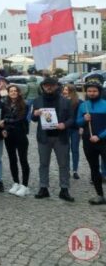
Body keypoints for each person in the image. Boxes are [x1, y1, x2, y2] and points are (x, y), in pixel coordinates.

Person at [31, 76, 75, 202]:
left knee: (64, 164)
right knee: (43, 164)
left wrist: (64, 125)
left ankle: (64, 189)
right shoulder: (37, 101)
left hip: (60, 137)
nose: (49, 87)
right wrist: (34, 114)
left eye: (51, 85)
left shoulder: (65, 101)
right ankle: (43, 188)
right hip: (44, 137)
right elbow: (33, 119)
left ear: (57, 86)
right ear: (43, 87)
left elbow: (72, 119)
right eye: (46, 85)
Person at [77, 76, 106, 205]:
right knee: (94, 168)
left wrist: (99, 136)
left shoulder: (105, 104)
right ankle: (100, 195)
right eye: (89, 91)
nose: (91, 93)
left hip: (103, 141)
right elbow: (77, 122)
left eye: (94, 91)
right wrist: (84, 119)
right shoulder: (84, 106)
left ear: (99, 91)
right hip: (88, 141)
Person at [3, 85, 31, 197]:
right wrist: (4, 129)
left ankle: (25, 185)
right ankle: (16, 182)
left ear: (19, 93)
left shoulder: (25, 104)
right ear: (8, 93)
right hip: (9, 135)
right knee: (12, 159)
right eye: (11, 91)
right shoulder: (5, 104)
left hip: (20, 134)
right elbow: (3, 116)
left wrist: (5, 123)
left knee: (23, 159)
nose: (13, 93)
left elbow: (20, 119)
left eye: (15, 91)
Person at [62, 84, 81, 180]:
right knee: (65, 150)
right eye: (64, 89)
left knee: (75, 149)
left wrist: (82, 126)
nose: (64, 91)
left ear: (71, 91)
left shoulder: (79, 102)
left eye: (66, 89)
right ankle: (67, 169)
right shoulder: (61, 101)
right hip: (65, 128)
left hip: (75, 128)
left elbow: (81, 115)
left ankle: (75, 170)